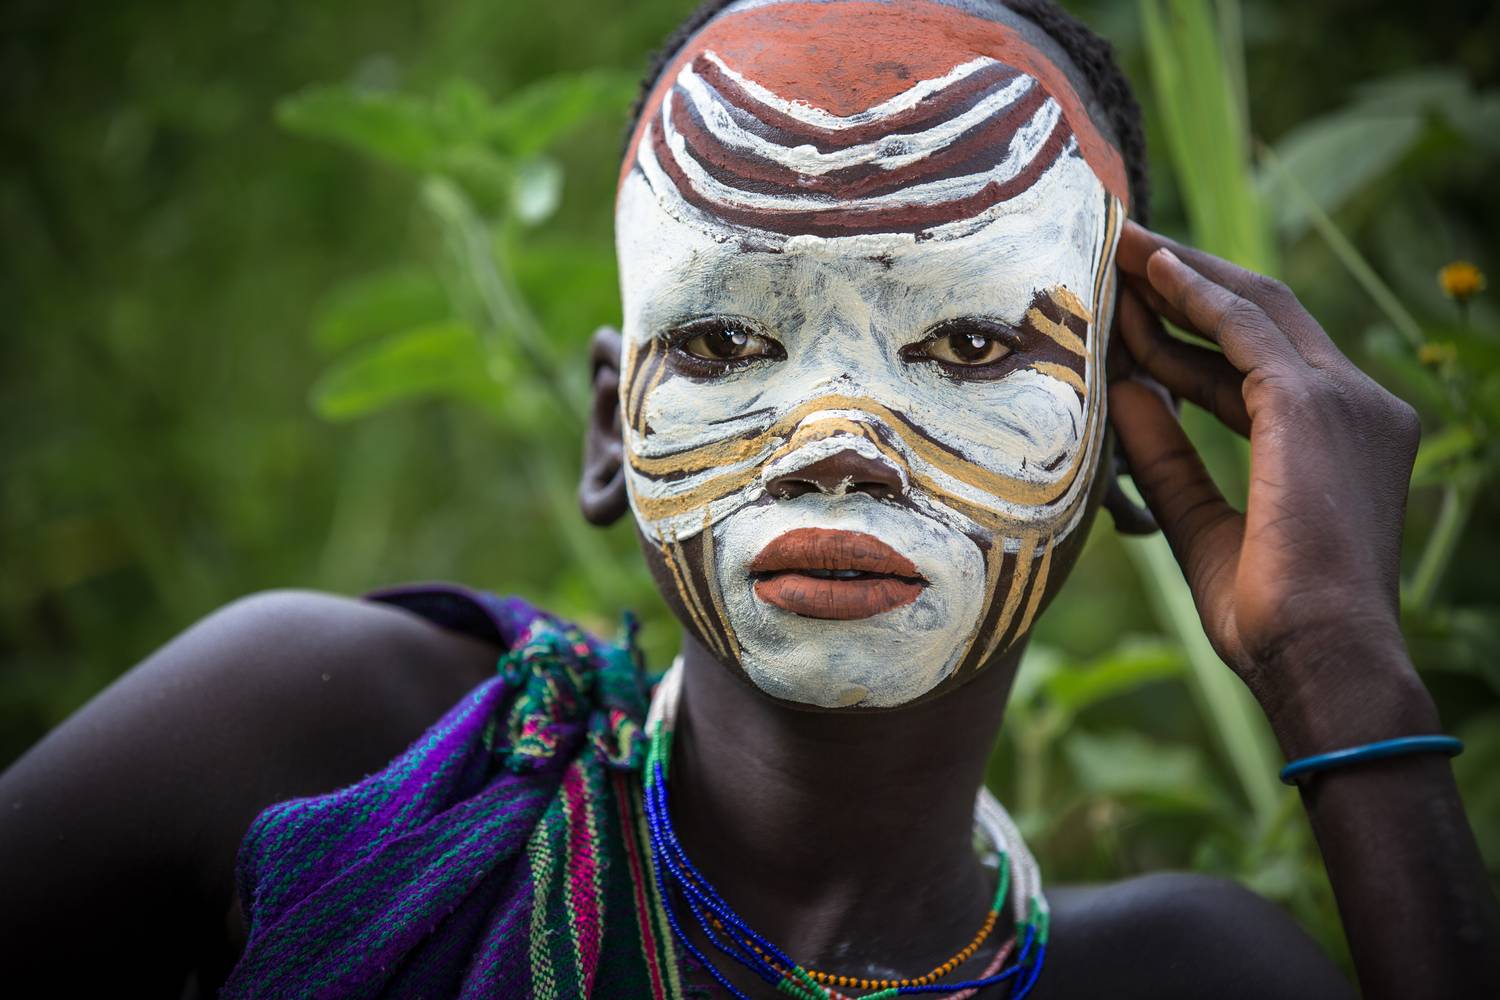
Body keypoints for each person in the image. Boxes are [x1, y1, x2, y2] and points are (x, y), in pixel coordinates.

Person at [3, 0, 1497, 997]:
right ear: (610, 424)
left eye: (970, 343)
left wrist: (1339, 665)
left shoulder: (1186, 978)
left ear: (1119, 428)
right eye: (723, 341)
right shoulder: (327, 756)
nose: (834, 442)